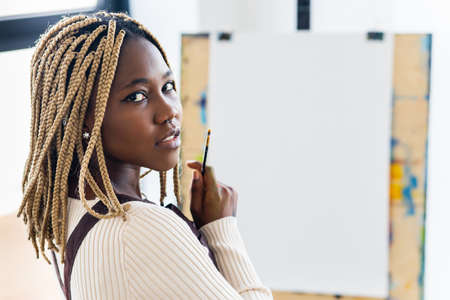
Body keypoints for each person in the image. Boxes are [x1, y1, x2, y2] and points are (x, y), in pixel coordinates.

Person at [17, 11, 273, 299]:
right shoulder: (139, 227)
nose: (169, 112)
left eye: (168, 87)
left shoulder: (73, 209)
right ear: (84, 117)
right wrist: (221, 229)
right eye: (137, 96)